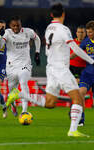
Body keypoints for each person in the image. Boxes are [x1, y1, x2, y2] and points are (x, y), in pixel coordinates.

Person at [6, 3, 94, 137]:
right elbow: (75, 48)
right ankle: (73, 130)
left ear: (51, 15)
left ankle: (20, 95)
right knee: (77, 98)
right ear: (63, 14)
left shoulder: (49, 28)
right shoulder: (63, 29)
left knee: (50, 103)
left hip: (51, 67)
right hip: (60, 68)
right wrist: (91, 60)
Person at [0, 16, 41, 115]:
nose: (16, 27)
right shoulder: (7, 33)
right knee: (12, 91)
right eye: (14, 26)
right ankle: (13, 106)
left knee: (24, 83)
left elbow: (37, 38)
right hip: (11, 66)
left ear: (21, 25)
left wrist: (37, 52)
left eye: (18, 25)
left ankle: (24, 111)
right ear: (10, 26)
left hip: (25, 64)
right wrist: (0, 36)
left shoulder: (28, 32)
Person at [69, 26, 86, 126]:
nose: (80, 34)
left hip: (84, 69)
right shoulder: (71, 43)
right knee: (76, 93)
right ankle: (76, 112)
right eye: (79, 32)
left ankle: (78, 115)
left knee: (79, 93)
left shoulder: (88, 43)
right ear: (76, 33)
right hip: (72, 68)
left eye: (82, 32)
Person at [78, 20, 94, 126]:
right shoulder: (86, 41)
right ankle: (80, 120)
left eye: (91, 32)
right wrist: (67, 58)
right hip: (87, 73)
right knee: (80, 93)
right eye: (87, 32)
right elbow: (78, 51)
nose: (88, 34)